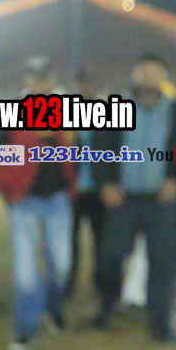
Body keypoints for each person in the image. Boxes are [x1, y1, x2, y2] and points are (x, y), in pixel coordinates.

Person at [91, 54, 176, 342]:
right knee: (111, 258)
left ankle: (160, 323)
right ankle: (107, 306)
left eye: (154, 73)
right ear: (134, 75)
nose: (148, 78)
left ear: (163, 77)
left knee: (162, 263)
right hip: (122, 200)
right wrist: (106, 183)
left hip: (161, 201)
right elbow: (99, 147)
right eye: (143, 72)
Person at [0, 58, 75, 350]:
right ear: (26, 81)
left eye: (44, 78)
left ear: (52, 80)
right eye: (35, 78)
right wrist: (7, 185)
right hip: (24, 201)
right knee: (26, 272)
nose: (40, 83)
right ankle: (26, 328)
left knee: (61, 265)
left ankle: (52, 309)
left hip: (57, 199)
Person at [65, 70, 105, 299]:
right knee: (70, 242)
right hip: (73, 189)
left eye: (87, 85)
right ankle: (68, 284)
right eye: (80, 85)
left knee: (100, 241)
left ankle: (100, 283)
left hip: (98, 190)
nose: (84, 89)